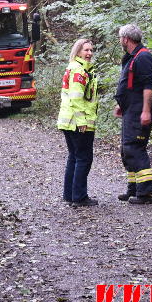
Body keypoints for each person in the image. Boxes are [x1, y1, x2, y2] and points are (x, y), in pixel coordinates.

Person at [113, 24, 152, 204]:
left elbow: (148, 87)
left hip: (140, 110)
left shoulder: (144, 57)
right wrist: (122, 105)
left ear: (125, 39)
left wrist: (146, 111)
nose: (120, 41)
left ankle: (147, 193)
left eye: (120, 38)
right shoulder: (132, 57)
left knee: (135, 148)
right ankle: (133, 188)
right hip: (130, 110)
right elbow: (130, 85)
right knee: (127, 151)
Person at [57, 38, 99, 207]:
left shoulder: (76, 68)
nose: (89, 53)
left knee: (74, 157)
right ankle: (79, 197)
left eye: (91, 50)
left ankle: (70, 194)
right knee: (83, 158)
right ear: (78, 51)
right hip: (77, 122)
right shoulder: (79, 71)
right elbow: (76, 98)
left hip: (69, 121)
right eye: (86, 50)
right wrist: (82, 121)